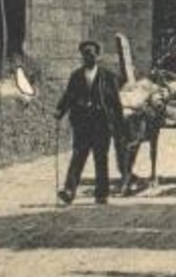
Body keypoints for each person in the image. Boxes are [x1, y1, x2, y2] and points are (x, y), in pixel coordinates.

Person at [54, 40, 126, 205]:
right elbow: (68, 97)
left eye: (92, 53)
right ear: (82, 56)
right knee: (78, 156)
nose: (89, 56)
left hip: (102, 124)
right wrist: (60, 111)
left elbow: (115, 102)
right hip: (82, 124)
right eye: (86, 54)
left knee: (101, 158)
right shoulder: (76, 76)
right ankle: (69, 191)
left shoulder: (108, 76)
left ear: (98, 56)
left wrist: (119, 125)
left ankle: (101, 194)